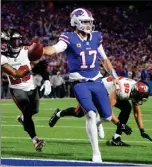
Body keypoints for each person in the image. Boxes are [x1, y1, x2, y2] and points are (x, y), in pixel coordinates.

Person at [43, 8, 124, 162]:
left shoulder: (96, 37)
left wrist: (114, 77)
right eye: (85, 21)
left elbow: (104, 59)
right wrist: (42, 50)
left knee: (107, 117)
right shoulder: (69, 37)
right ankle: (96, 152)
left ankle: (98, 123)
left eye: (89, 22)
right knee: (90, 115)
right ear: (75, 21)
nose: (88, 25)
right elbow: (54, 49)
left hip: (97, 81)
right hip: (80, 83)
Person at [49, 76, 152, 146]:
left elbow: (137, 113)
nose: (140, 100)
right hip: (98, 89)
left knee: (127, 108)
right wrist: (120, 124)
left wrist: (142, 130)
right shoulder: (122, 92)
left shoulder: (134, 89)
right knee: (79, 112)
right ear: (136, 93)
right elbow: (108, 111)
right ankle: (58, 114)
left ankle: (116, 139)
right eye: (140, 97)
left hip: (109, 90)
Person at [2, 28, 51, 152]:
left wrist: (46, 79)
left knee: (33, 110)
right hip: (17, 88)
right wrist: (33, 71)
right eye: (14, 40)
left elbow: (42, 65)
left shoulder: (27, 50)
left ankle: (24, 118)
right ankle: (35, 140)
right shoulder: (3, 56)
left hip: (31, 86)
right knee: (26, 106)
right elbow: (15, 73)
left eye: (19, 40)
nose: (17, 43)